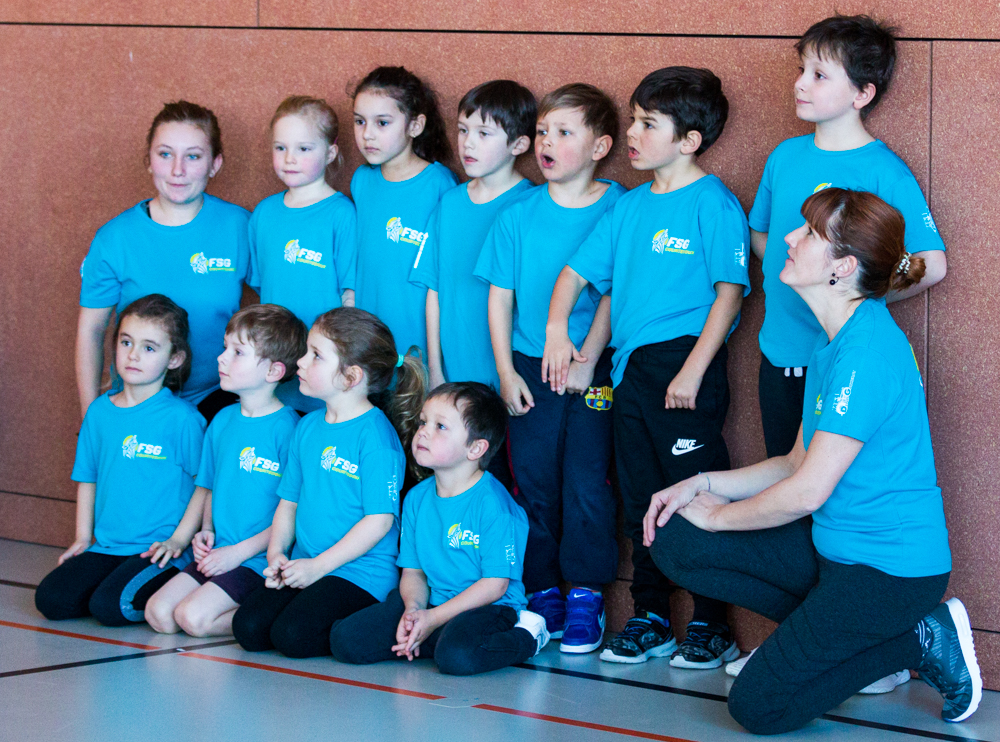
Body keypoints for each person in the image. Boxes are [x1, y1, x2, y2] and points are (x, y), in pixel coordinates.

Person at [645, 188, 980, 733]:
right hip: (835, 553)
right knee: (677, 538)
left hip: (889, 573)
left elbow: (807, 491)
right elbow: (794, 462)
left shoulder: (866, 352)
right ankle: (849, 646)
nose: (789, 238)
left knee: (758, 707)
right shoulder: (832, 344)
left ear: (841, 268)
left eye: (808, 233)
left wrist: (720, 515)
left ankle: (918, 638)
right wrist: (699, 485)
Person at [545, 68, 749, 667]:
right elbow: (582, 278)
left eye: (647, 124)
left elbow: (730, 294)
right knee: (640, 497)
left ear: (689, 140)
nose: (632, 133)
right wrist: (567, 340)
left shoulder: (713, 202)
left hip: (685, 367)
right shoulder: (629, 207)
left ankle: (712, 622)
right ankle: (652, 616)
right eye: (633, 120)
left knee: (695, 495)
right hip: (629, 371)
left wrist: (693, 370)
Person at [750, 15, 946, 459]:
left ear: (862, 94)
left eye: (819, 75)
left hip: (843, 358)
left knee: (831, 485)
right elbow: (763, 237)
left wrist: (849, 295)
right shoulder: (784, 156)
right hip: (780, 353)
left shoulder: (884, 171)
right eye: (801, 70)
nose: (800, 83)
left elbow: (931, 263)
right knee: (784, 472)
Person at [474, 84, 624, 654]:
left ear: (600, 147)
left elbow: (614, 293)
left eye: (564, 133)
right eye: (541, 132)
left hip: (591, 369)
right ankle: (542, 592)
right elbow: (500, 300)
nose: (547, 143)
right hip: (529, 369)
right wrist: (506, 373)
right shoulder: (517, 215)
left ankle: (585, 594)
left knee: (587, 481)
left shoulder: (619, 206)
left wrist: (590, 357)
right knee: (533, 481)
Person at [231, 307, 424, 658]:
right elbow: (289, 503)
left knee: (293, 636)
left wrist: (318, 567)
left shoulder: (376, 437)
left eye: (316, 355)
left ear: (350, 377)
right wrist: (276, 554)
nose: (301, 362)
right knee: (249, 628)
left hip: (359, 573)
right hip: (305, 564)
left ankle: (379, 618)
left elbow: (379, 521)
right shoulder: (307, 427)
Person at [330, 382, 549, 675]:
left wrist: (432, 619)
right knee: (346, 640)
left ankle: (528, 636)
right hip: (431, 603)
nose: (423, 432)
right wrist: (414, 610)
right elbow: (414, 572)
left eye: (440, 426)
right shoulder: (416, 498)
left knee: (456, 657)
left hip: (488, 607)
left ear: (475, 448)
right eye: (423, 422)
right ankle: (429, 637)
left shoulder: (495, 506)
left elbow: (494, 585)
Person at [35, 295, 206, 625]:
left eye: (149, 348)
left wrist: (179, 540)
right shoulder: (99, 412)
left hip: (159, 549)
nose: (133, 355)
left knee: (111, 606)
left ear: (174, 358)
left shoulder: (182, 419)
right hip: (107, 546)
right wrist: (83, 538)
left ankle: (174, 588)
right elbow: (88, 478)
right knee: (51, 600)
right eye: (126, 342)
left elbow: (204, 486)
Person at [77, 101, 250, 424]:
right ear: (148, 160)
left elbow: (280, 298)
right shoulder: (115, 238)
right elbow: (92, 330)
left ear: (215, 164)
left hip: (220, 402)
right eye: (165, 154)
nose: (177, 170)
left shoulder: (240, 227)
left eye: (193, 156)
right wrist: (92, 422)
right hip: (139, 401)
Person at [144, 305, 307, 637]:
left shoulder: (289, 430)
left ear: (273, 371)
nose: (221, 358)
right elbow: (209, 486)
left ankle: (266, 617)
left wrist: (237, 554)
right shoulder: (221, 421)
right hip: (219, 553)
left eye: (237, 352)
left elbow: (292, 511)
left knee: (192, 618)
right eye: (224, 348)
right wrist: (205, 531)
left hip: (256, 559)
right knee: (159, 613)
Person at [409, 79, 536, 491]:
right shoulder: (449, 203)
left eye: (484, 133)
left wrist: (508, 372)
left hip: (509, 377)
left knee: (509, 485)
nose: (468, 142)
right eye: (463, 130)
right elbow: (434, 291)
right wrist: (436, 369)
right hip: (455, 378)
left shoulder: (529, 205)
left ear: (519, 144)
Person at [248, 96, 358, 413]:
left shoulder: (341, 214)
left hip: (325, 372)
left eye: (304, 149)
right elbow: (263, 287)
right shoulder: (264, 213)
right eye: (280, 147)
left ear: (330, 153)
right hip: (275, 370)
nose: (289, 158)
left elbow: (349, 298)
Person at [351, 66, 458, 358]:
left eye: (382, 123)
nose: (367, 134)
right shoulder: (362, 180)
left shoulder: (440, 185)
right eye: (360, 121)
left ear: (415, 126)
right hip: (369, 339)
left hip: (418, 339)